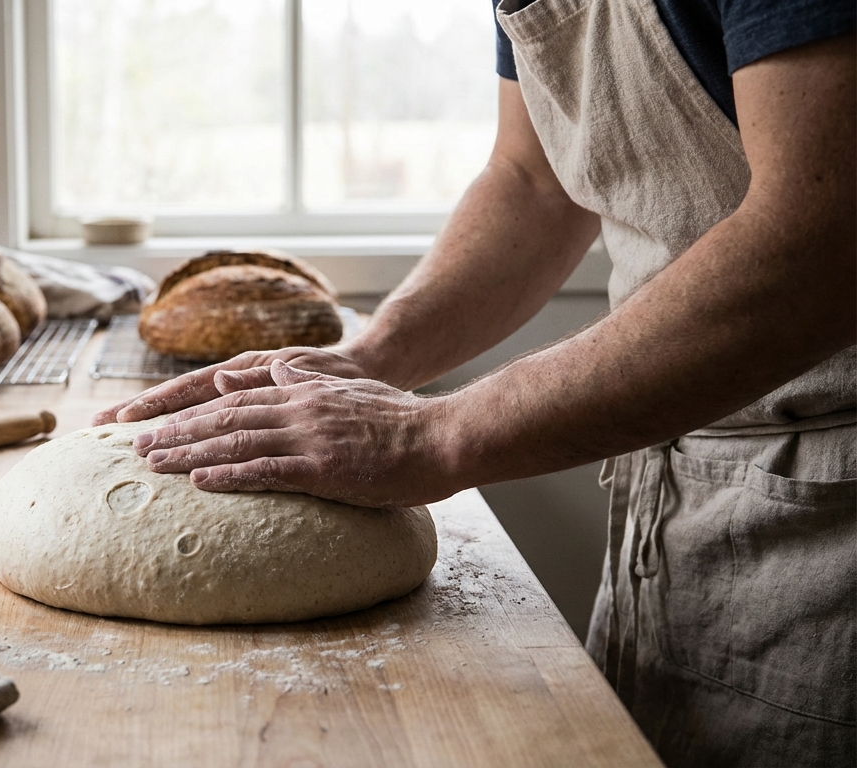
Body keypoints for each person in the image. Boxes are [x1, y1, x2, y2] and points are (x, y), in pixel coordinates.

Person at [93, 1, 855, 765]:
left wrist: (430, 435)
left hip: (829, 522)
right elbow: (532, 183)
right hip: (678, 500)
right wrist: (369, 357)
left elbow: (823, 232)